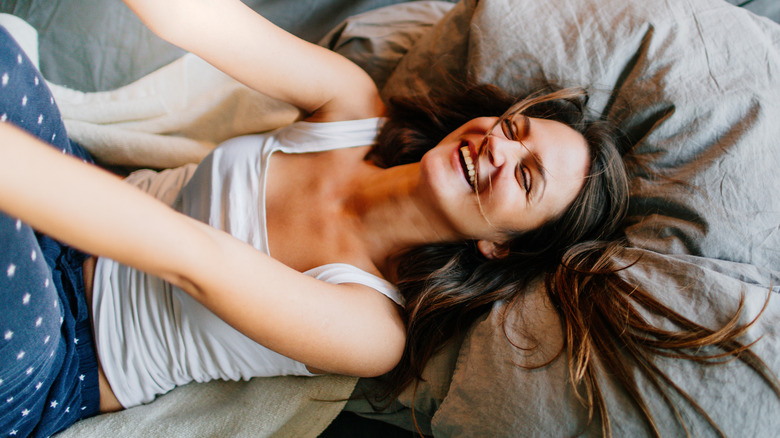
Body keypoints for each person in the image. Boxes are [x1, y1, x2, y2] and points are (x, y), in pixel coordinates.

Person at [9, 0, 760, 436]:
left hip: (65, 351)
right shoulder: (349, 106)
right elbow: (202, 22)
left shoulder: (371, 328)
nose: (497, 148)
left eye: (524, 177)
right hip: (68, 195)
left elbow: (188, 257)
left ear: (499, 244)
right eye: (517, 128)